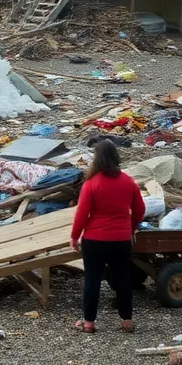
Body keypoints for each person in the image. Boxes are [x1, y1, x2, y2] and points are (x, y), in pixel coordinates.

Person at [71, 139, 145, 333]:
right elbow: (140, 209)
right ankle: (127, 320)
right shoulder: (128, 182)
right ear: (116, 156)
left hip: (94, 239)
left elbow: (82, 213)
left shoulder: (91, 183)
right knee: (122, 278)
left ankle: (89, 322)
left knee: (92, 280)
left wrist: (74, 236)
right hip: (121, 240)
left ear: (97, 159)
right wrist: (131, 228)